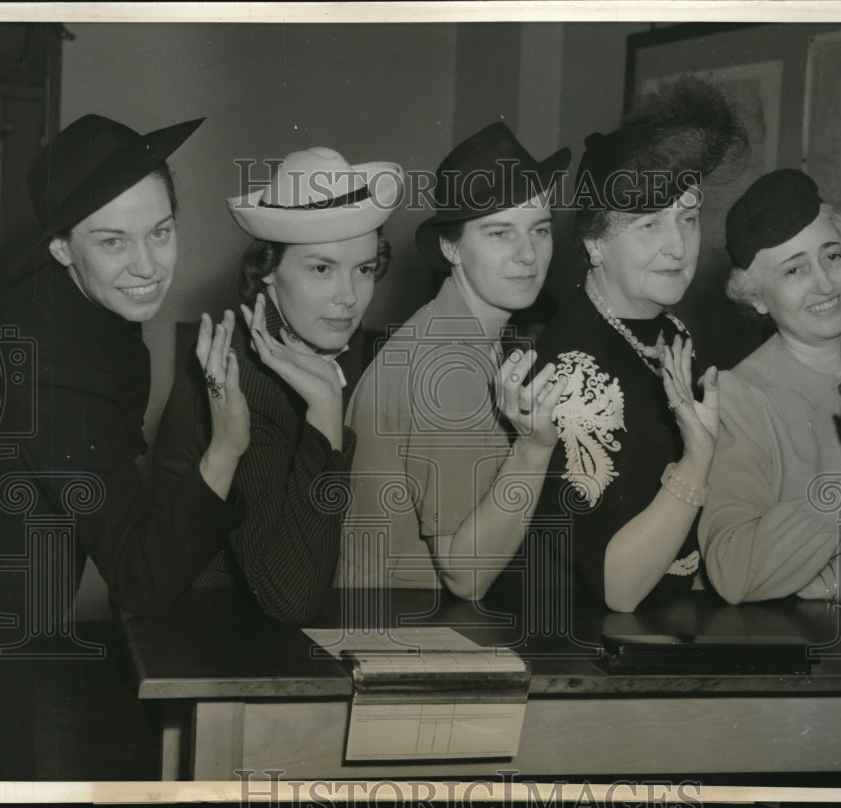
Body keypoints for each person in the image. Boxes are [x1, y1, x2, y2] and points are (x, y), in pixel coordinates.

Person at [0, 114, 249, 778]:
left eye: (160, 232)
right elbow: (141, 579)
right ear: (62, 249)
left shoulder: (89, 312)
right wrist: (226, 446)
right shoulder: (50, 357)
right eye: (112, 241)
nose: (147, 267)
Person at [517, 77, 748, 614]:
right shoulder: (573, 366)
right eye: (648, 225)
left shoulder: (668, 332)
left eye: (687, 220)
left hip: (668, 627)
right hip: (586, 653)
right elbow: (616, 588)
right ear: (594, 241)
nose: (677, 246)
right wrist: (697, 462)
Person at [154, 145, 404, 622]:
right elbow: (291, 598)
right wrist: (326, 414)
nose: (349, 297)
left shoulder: (297, 347)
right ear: (268, 270)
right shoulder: (245, 374)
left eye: (364, 269)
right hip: (204, 642)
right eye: (322, 268)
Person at [340, 122, 571, 599]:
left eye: (540, 230)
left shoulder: (465, 337)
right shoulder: (445, 367)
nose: (528, 254)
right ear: (451, 248)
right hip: (409, 638)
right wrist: (534, 449)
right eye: (499, 232)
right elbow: (466, 575)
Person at [698, 169, 841, 608]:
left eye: (832, 256)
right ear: (757, 299)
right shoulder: (739, 398)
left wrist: (835, 580)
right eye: (794, 270)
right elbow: (733, 572)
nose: (824, 283)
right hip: (780, 648)